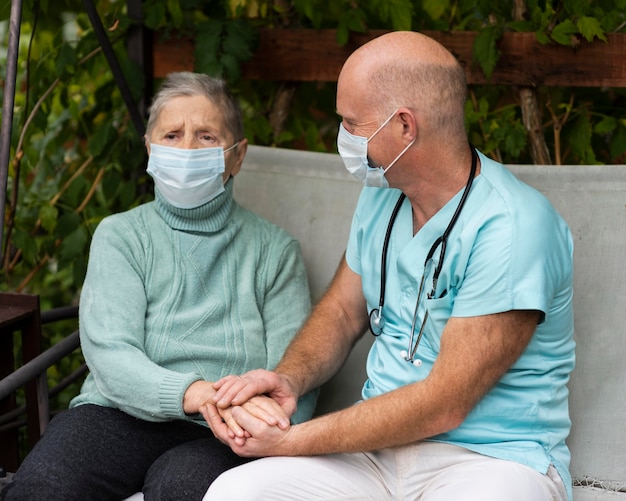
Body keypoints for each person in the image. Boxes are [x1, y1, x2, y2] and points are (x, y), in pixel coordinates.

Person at [202, 31, 576, 501]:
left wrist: (291, 441)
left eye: (352, 122)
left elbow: (444, 405)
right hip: (375, 456)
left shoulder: (514, 226)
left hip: (491, 462)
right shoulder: (383, 198)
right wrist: (289, 378)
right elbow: (342, 311)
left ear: (404, 126)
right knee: (235, 494)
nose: (341, 136)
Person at [1, 72, 316, 501]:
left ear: (237, 156)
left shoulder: (274, 251)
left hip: (225, 430)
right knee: (42, 488)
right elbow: (111, 354)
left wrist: (261, 420)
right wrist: (193, 392)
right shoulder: (121, 236)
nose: (186, 148)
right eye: (172, 134)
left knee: (181, 489)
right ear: (150, 150)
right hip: (118, 414)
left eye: (206, 136)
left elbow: (295, 375)